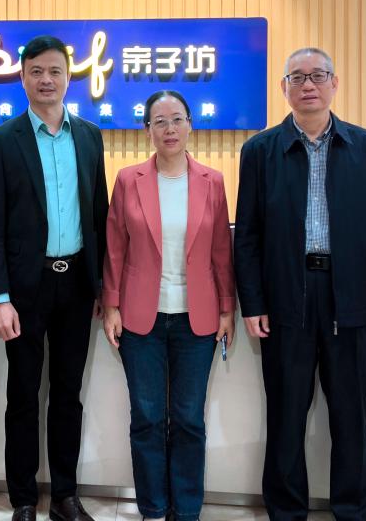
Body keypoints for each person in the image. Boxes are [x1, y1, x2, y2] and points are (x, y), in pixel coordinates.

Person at [233, 47, 366, 521]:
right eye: (298, 77)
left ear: (334, 83)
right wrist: (253, 302)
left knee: (352, 415)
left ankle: (355, 509)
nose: (308, 85)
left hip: (353, 298)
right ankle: (286, 511)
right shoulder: (260, 151)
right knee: (286, 415)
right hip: (286, 296)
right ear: (284, 87)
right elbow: (247, 236)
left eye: (318, 75)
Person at [0, 35, 109, 521]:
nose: (46, 80)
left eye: (55, 71)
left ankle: (65, 496)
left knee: (68, 394)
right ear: (22, 78)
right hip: (24, 290)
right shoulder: (3, 139)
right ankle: (23, 499)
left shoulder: (89, 136)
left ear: (69, 77)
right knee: (22, 395)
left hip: (75, 284)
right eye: (36, 71)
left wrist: (101, 286)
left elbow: (99, 214)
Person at [102, 90, 235, 521]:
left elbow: (221, 249)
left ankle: (187, 509)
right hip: (141, 319)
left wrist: (227, 309)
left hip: (198, 319)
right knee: (146, 418)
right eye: (159, 121)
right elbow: (115, 247)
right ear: (147, 130)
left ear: (190, 124)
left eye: (177, 119)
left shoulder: (212, 181)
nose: (170, 129)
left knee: (189, 419)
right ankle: (154, 508)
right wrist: (111, 305)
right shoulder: (129, 179)